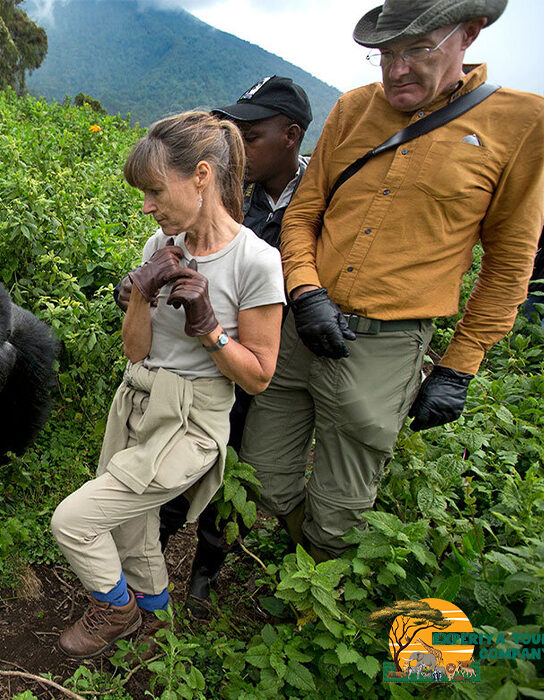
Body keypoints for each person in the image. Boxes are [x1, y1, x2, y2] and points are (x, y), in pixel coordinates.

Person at [240, 0, 544, 562]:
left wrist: (459, 366)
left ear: (469, 35)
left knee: (340, 509)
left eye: (417, 50)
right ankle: (305, 554)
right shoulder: (355, 109)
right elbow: (305, 213)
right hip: (301, 327)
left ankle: (319, 588)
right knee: (264, 475)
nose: (396, 69)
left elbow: (508, 263)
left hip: (386, 345)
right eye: (385, 53)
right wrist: (305, 290)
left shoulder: (521, 124)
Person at [51, 111, 285, 659]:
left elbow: (259, 375)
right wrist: (141, 292)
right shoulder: (162, 241)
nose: (148, 206)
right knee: (133, 529)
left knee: (75, 521)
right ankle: (156, 628)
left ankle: (116, 608)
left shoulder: (256, 260)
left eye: (156, 190)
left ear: (201, 175)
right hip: (138, 397)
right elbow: (135, 349)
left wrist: (208, 326)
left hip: (193, 419)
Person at [155, 76, 313, 616]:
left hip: (273, 360)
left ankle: (206, 569)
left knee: (241, 465)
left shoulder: (321, 199)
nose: (238, 145)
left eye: (253, 132)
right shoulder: (231, 197)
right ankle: (153, 548)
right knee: (185, 455)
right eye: (236, 131)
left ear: (291, 136)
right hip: (216, 361)